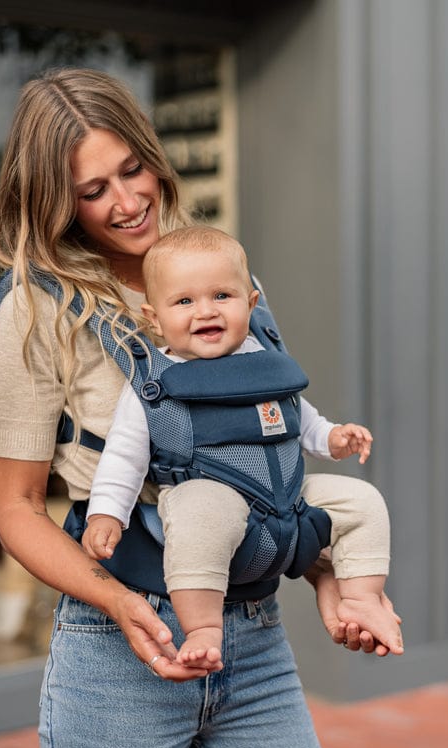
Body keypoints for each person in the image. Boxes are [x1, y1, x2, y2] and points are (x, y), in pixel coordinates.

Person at [0, 67, 398, 748]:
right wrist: (120, 605)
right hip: (119, 657)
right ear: (57, 203)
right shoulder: (36, 311)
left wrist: (330, 575)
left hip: (254, 644)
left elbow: (259, 461)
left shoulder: (221, 273)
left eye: (131, 169)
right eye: (93, 190)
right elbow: (15, 509)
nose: (127, 201)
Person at [81, 225, 403, 672]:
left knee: (361, 499)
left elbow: (299, 417)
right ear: (154, 319)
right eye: (184, 301)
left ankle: (362, 597)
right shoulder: (155, 383)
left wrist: (332, 438)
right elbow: (123, 457)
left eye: (222, 296)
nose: (206, 311)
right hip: (209, 498)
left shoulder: (264, 361)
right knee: (200, 514)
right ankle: (203, 627)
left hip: (288, 502)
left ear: (251, 305)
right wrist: (106, 514)